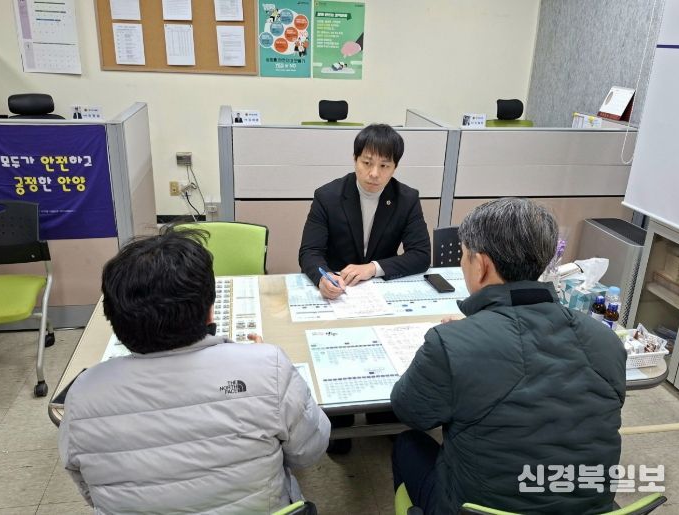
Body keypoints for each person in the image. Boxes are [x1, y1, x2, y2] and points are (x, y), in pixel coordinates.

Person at [58, 227, 330, 514]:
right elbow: (308, 451)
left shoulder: (81, 394)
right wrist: (258, 364)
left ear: (113, 318)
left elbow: (89, 488)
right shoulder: (268, 366)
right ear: (210, 310)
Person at [391, 198, 626, 514]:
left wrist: (459, 341)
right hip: (593, 509)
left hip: (474, 509)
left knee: (407, 444)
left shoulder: (450, 343)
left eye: (463, 255)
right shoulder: (605, 340)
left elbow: (411, 411)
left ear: (481, 265)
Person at [299, 123, 431, 300]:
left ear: (395, 167)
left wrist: (373, 268)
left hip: (382, 289)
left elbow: (421, 255)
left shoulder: (407, 199)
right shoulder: (327, 196)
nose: (374, 173)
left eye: (384, 166)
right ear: (355, 159)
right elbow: (310, 251)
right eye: (367, 163)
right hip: (338, 287)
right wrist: (323, 277)